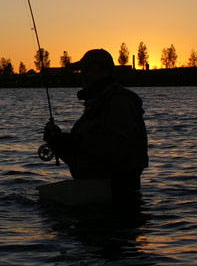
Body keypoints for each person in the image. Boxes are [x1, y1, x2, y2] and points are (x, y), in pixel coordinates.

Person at [44, 48, 148, 199]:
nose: (82, 76)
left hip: (118, 200)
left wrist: (75, 142)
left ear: (104, 71)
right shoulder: (97, 105)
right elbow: (85, 158)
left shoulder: (120, 103)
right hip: (94, 197)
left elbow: (119, 151)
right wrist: (59, 144)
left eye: (86, 70)